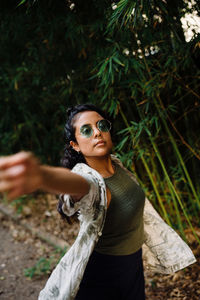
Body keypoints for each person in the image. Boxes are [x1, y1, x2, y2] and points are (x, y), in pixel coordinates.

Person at [0, 103, 196, 300]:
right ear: (75, 145)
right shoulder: (91, 180)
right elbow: (78, 184)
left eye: (102, 126)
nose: (97, 132)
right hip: (104, 274)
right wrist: (42, 176)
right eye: (86, 130)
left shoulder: (117, 166)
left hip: (132, 267)